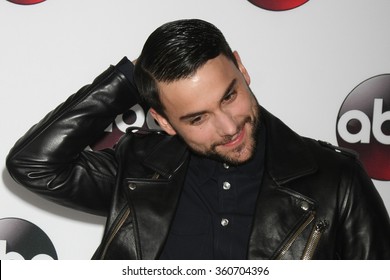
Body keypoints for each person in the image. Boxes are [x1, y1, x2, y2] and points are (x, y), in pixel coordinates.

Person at [6, 19, 390, 260]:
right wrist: (129, 78)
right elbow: (34, 165)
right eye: (197, 118)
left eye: (229, 95)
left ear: (241, 68)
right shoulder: (140, 169)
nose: (227, 126)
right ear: (164, 121)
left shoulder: (335, 179)